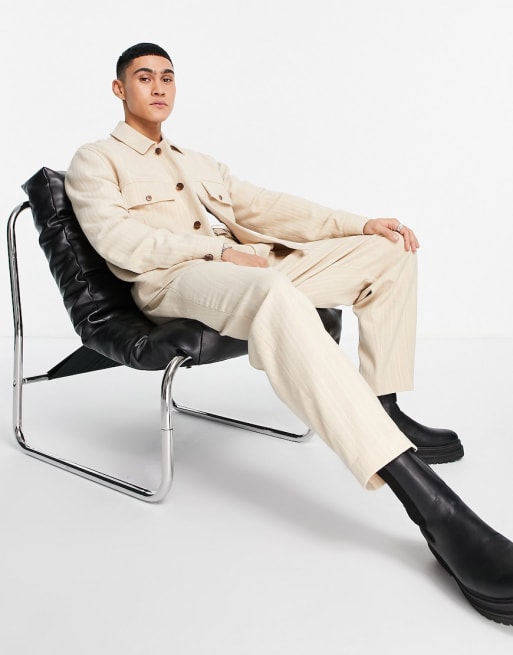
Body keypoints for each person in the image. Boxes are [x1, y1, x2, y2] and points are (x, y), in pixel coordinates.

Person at [65, 42, 513, 624]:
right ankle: (432, 507)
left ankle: (384, 409)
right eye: (144, 77)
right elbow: (120, 243)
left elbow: (268, 207)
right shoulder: (95, 160)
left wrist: (359, 224)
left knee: (388, 253)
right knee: (273, 291)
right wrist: (218, 250)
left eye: (167, 77)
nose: (158, 87)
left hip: (244, 270)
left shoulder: (195, 161)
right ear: (119, 89)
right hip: (175, 282)